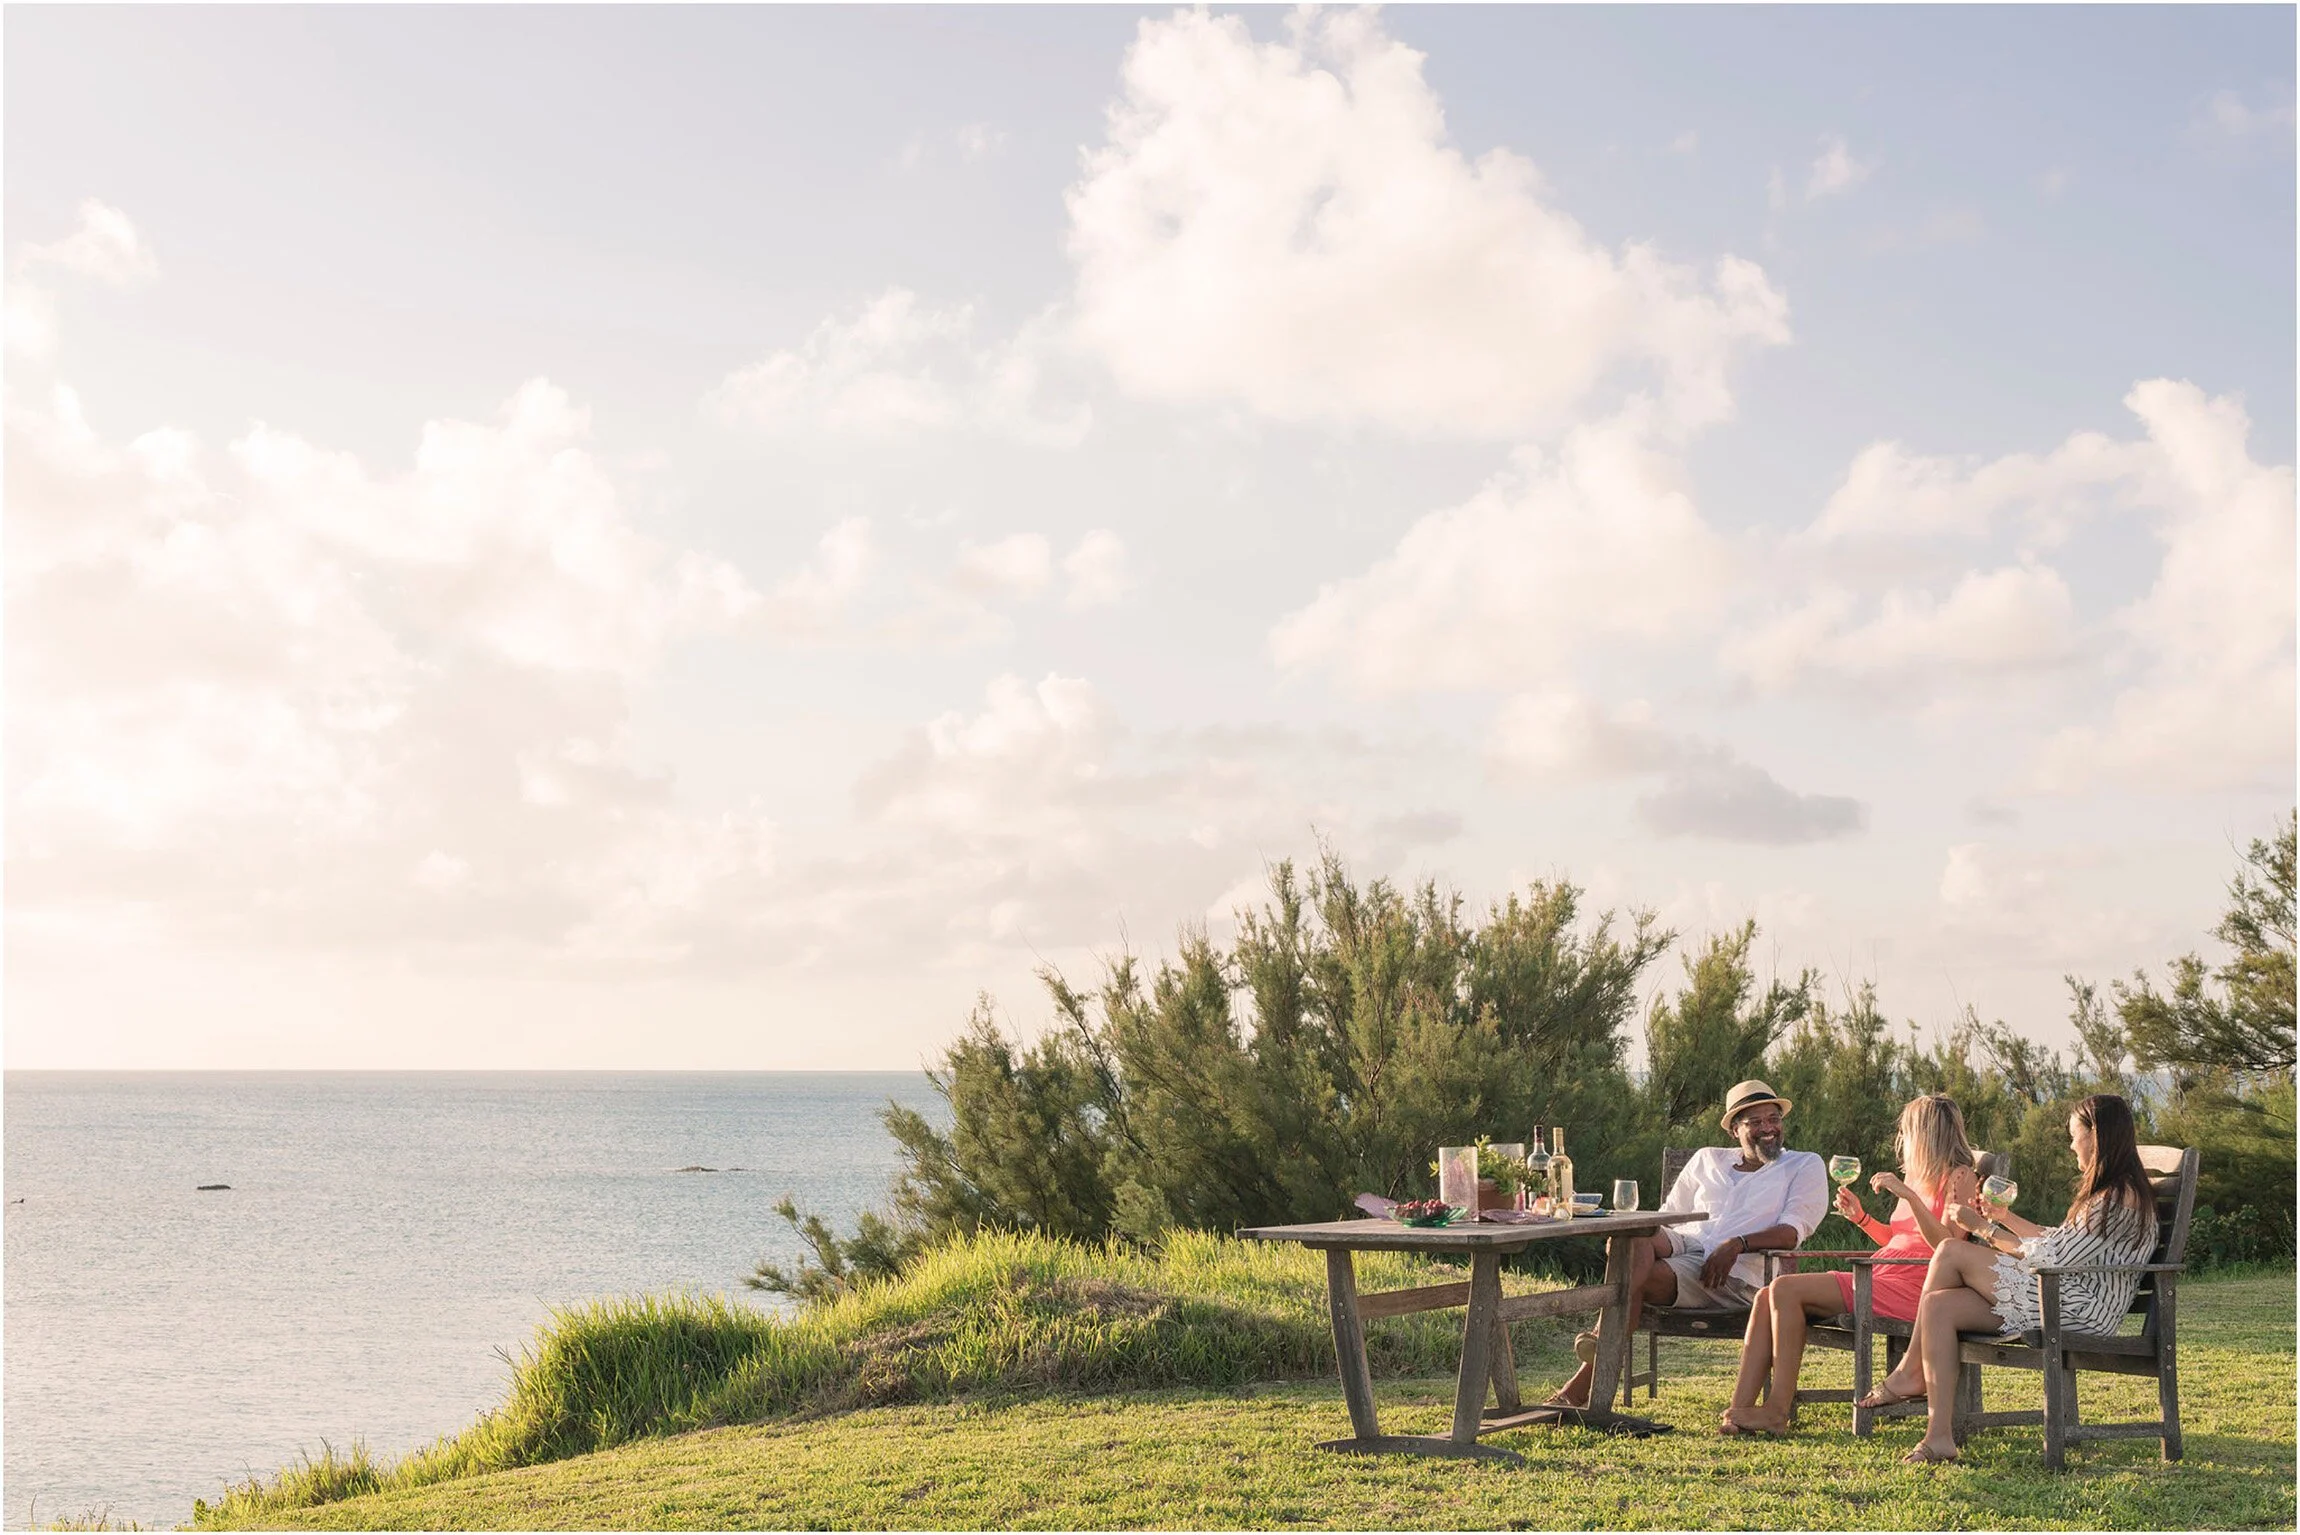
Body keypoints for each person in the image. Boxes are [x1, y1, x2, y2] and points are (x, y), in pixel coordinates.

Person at [1857, 1092, 2160, 1465]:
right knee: (1939, 1305)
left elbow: (2054, 1255)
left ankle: (1907, 1372)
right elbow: (2058, 1239)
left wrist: (1985, 1229)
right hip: (2058, 1292)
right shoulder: (2110, 1192)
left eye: (2074, 1135)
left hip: (2077, 1308)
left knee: (1951, 1252)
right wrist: (2004, 1217)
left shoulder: (2119, 1196)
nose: (2070, 1145)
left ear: (2096, 1135)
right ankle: (1938, 1438)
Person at [1545, 1080, 1826, 1410]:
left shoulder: (1804, 1165)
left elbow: (1792, 1233)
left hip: (1738, 1272)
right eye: (1755, 1122)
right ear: (1734, 1130)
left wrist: (1737, 1244)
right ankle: (1596, 1346)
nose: (1768, 1129)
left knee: (1633, 1275)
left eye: (1773, 1119)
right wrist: (1624, 1243)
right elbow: (1668, 1218)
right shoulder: (1708, 1158)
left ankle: (1582, 1380)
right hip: (1686, 1244)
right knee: (1631, 1239)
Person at [1718, 1093, 1979, 1436]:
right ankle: (1741, 1409)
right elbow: (1899, 1240)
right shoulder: (1918, 1177)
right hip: (1884, 1274)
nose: (1902, 1139)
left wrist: (1909, 1197)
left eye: (1907, 1131)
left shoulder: (1960, 1177)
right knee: (1766, 1295)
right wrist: (1862, 1218)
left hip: (1918, 1288)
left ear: (1926, 1132)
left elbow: (1947, 1247)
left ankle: (1776, 1411)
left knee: (1783, 1289)